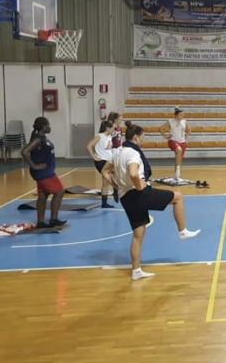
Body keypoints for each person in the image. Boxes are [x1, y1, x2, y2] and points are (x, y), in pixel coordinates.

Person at [100, 125, 201, 281]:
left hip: (126, 197)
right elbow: (133, 173)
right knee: (177, 197)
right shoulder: (133, 153)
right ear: (136, 138)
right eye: (142, 137)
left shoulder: (117, 152)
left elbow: (104, 171)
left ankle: (136, 271)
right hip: (139, 194)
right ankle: (182, 231)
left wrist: (116, 185)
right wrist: (139, 186)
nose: (143, 140)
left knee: (137, 235)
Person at [20, 117, 66, 229]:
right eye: (48, 125)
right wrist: (34, 165)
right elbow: (25, 151)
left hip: (44, 171)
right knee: (59, 191)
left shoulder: (42, 138)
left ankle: (40, 222)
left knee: (43, 194)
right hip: (44, 172)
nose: (50, 127)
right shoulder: (38, 139)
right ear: (43, 126)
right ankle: (53, 219)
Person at [86, 120, 117, 208]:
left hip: (108, 160)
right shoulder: (99, 136)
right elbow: (89, 146)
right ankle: (116, 189)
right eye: (113, 128)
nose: (114, 130)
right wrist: (94, 157)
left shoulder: (109, 136)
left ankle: (104, 203)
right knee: (115, 173)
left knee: (106, 182)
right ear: (107, 128)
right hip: (101, 161)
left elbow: (108, 148)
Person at [160, 107, 190, 180]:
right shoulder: (171, 121)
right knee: (179, 150)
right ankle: (178, 172)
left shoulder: (184, 122)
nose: (182, 116)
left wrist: (186, 135)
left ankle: (177, 176)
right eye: (181, 115)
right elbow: (161, 128)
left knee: (179, 159)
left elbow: (189, 129)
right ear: (176, 115)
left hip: (182, 142)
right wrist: (165, 135)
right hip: (173, 140)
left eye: (183, 115)